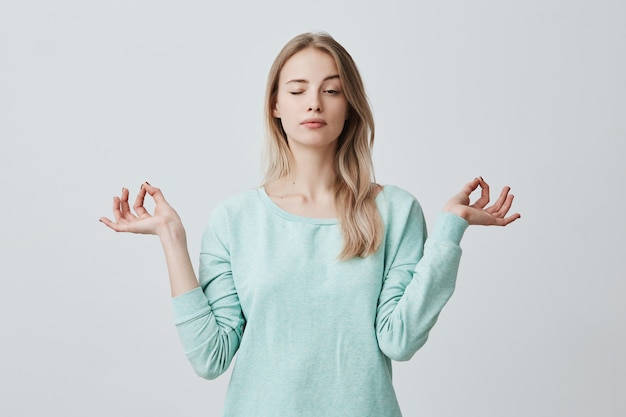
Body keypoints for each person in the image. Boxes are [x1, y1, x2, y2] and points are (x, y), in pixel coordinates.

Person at [100, 32, 520, 417]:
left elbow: (400, 340)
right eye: (298, 90)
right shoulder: (235, 219)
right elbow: (210, 357)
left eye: (331, 90)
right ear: (276, 106)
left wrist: (450, 229)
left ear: (350, 104)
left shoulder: (396, 211)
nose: (314, 103)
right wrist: (172, 237)